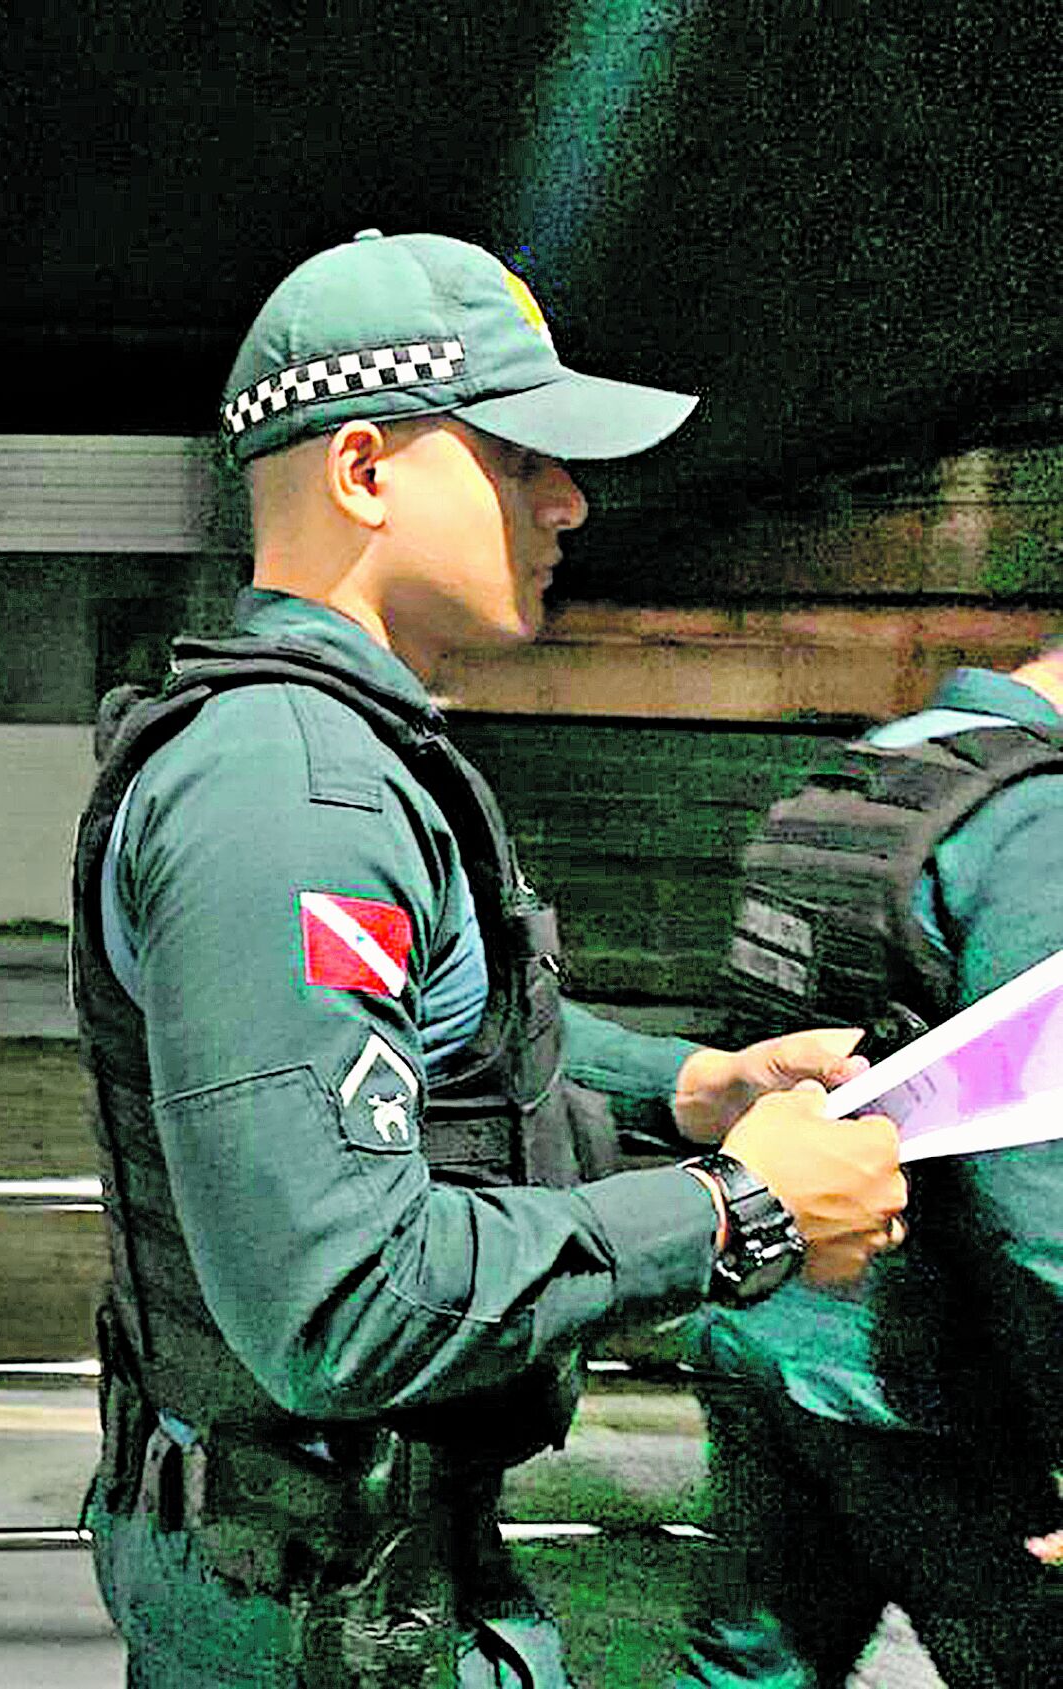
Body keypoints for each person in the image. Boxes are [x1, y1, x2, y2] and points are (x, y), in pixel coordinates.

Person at [68, 229, 910, 1688]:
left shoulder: (332, 756)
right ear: (367, 471)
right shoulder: (291, 794)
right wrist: (741, 1213)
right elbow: (345, 1300)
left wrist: (694, 1087)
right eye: (521, 452)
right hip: (321, 1615)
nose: (571, 500)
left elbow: (421, 1042)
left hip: (346, 1574)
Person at [676, 638, 1063, 1687]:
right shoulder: (1040, 826)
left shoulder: (856, 779)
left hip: (766, 1335)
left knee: (747, 1670)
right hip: (938, 1393)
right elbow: (1038, 1195)